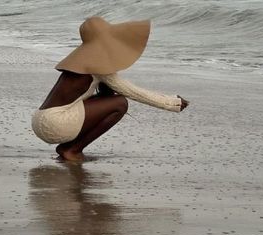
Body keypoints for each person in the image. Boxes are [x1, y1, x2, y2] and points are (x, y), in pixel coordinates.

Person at [31, 16, 189, 161]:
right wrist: (172, 103)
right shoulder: (97, 67)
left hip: (40, 120)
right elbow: (132, 92)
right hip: (56, 123)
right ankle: (72, 149)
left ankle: (69, 147)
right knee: (120, 103)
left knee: (108, 101)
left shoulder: (80, 63)